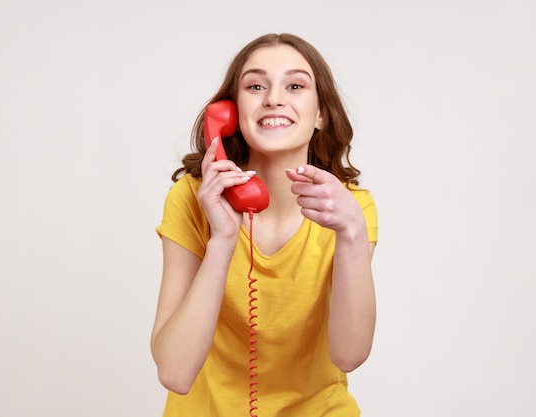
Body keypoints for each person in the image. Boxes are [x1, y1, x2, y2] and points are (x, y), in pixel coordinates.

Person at [151, 33, 378, 417]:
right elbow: (175, 372)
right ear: (230, 112)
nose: (273, 98)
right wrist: (222, 239)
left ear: (321, 112)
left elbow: (349, 356)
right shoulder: (191, 198)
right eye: (255, 86)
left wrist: (353, 234)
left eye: (295, 85)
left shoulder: (350, 209)